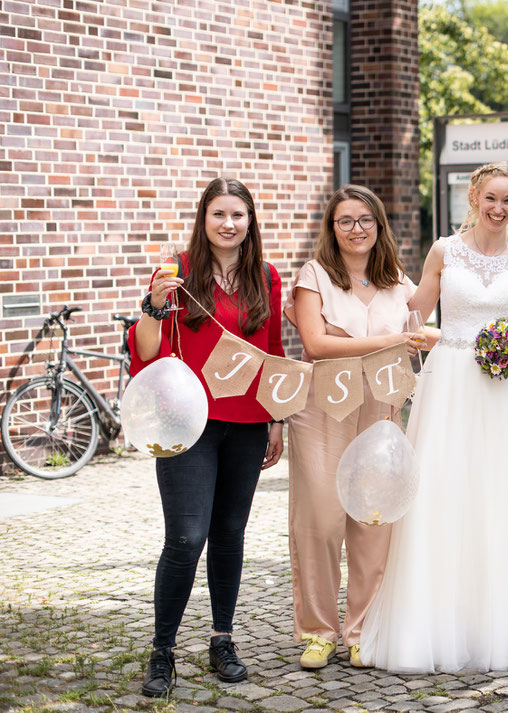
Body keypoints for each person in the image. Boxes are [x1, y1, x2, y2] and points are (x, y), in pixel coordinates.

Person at [360, 161, 508, 673]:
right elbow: (415, 309)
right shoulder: (443, 251)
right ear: (474, 197)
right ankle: (433, 626)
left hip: (506, 387)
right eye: (490, 198)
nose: (499, 208)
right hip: (449, 382)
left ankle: (500, 624)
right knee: (443, 494)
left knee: (501, 493)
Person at [132, 177, 285, 697]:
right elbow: (148, 352)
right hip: (187, 424)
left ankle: (222, 640)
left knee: (228, 535)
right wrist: (154, 304)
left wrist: (276, 420)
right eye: (218, 214)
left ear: (250, 221)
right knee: (185, 537)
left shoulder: (265, 276)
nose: (228, 224)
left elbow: (271, 350)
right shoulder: (176, 272)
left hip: (245, 425)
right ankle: (162, 651)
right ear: (204, 218)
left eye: (238, 215)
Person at [285, 185, 427, 670]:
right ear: (332, 228)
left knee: (374, 520)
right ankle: (318, 630)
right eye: (345, 220)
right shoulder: (315, 276)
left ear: (379, 225)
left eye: (365, 219)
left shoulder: (398, 282)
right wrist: (391, 340)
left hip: (380, 406)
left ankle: (363, 629)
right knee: (320, 521)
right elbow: (317, 344)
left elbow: (428, 327)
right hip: (323, 407)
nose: (356, 229)